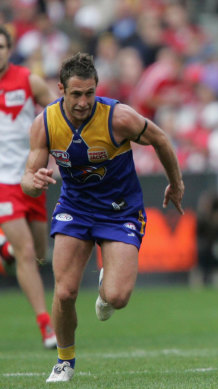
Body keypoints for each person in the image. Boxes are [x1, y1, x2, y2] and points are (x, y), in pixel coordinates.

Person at [20, 52, 185, 383]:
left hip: (120, 209)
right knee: (64, 292)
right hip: (75, 207)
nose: (83, 102)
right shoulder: (46, 123)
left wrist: (176, 184)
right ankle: (65, 360)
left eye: (89, 93)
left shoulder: (118, 117)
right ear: (61, 90)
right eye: (76, 94)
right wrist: (34, 183)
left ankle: (105, 288)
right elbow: (27, 180)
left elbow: (160, 139)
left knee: (117, 298)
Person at [0, 25, 58, 349]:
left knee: (38, 253)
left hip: (31, 178)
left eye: (2, 46)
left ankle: (3, 249)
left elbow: (57, 114)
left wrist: (61, 156)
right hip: (1, 185)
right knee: (25, 254)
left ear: (10, 49)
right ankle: (45, 325)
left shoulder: (27, 80)